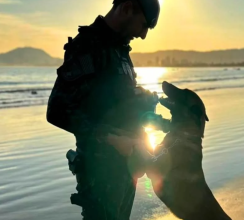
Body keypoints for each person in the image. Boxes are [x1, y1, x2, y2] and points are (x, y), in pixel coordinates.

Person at [46, 0, 160, 219]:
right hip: (100, 172)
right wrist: (111, 138)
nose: (144, 35)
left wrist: (140, 99)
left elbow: (113, 101)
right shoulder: (88, 46)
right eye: (144, 25)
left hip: (125, 168)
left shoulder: (119, 48)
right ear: (127, 8)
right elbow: (58, 110)